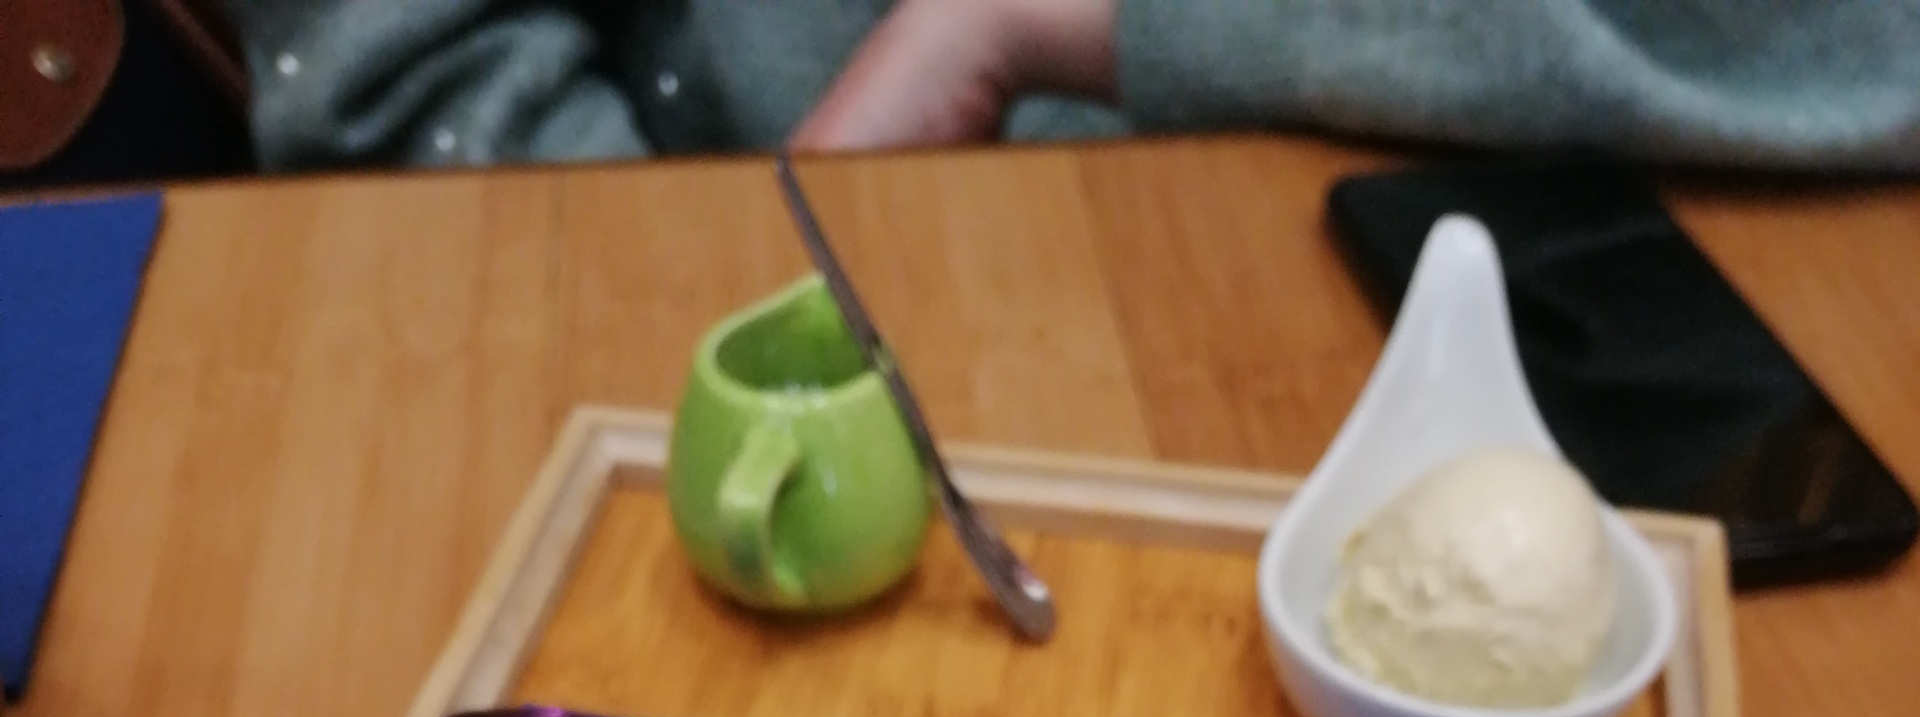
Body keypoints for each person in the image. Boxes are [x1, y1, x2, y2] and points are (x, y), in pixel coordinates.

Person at [230, 0, 1920, 174]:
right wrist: (695, 271)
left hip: (1506, 232)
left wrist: (1058, 24)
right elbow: (400, 65)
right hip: (762, 260)